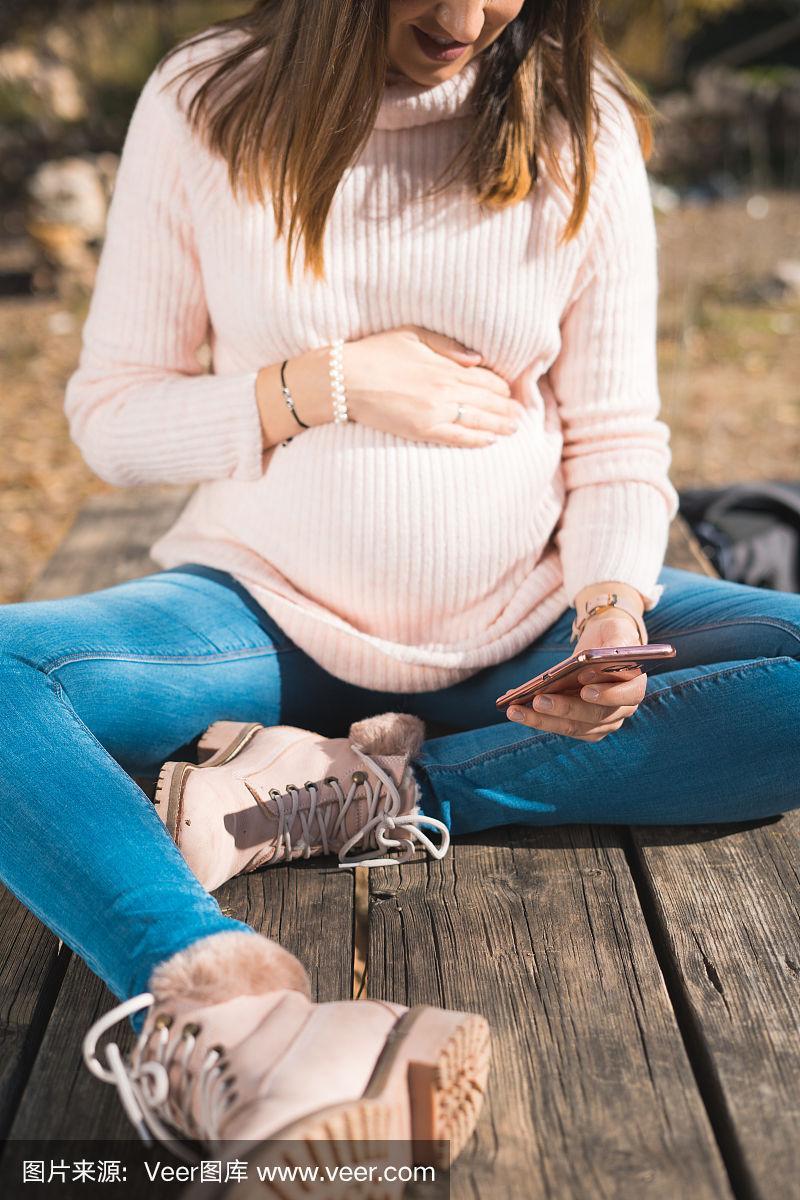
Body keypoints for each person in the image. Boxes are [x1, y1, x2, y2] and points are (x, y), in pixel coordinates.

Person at [2, 0, 798, 1169]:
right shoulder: (205, 100)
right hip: (257, 620)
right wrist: (326, 383)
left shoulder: (585, 123)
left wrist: (608, 611)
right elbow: (113, 423)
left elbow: (617, 439)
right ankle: (230, 1013)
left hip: (522, 631)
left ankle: (378, 788)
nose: (466, 16)